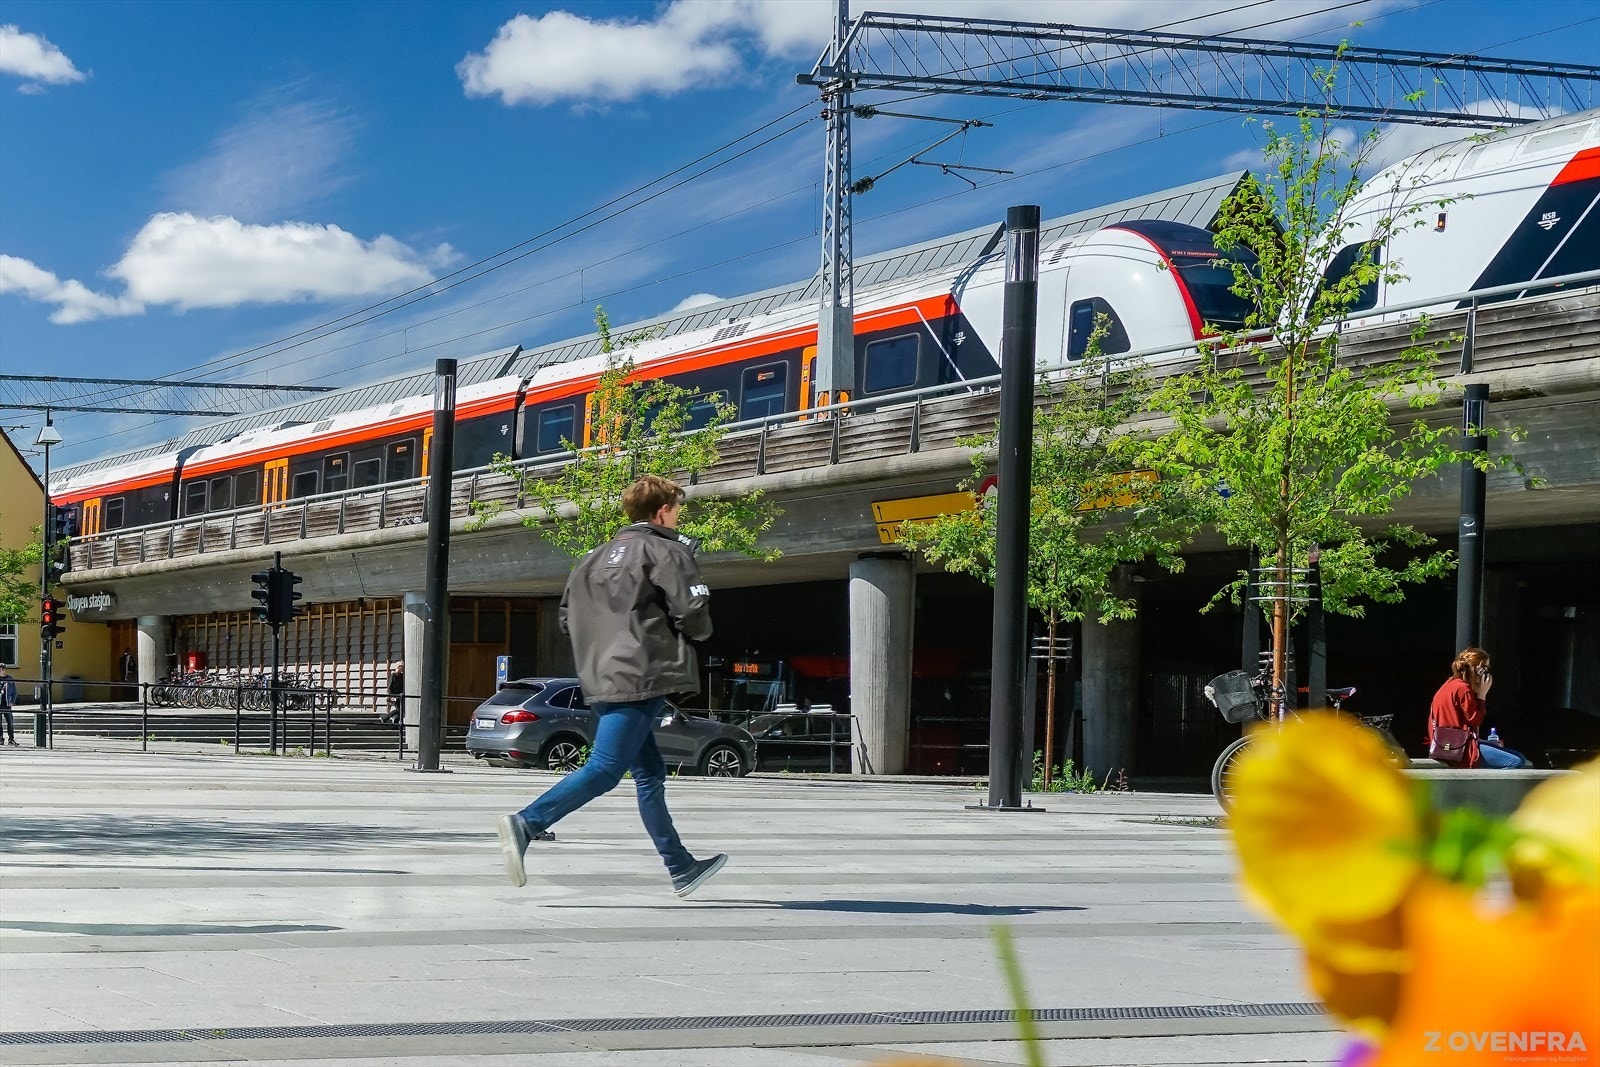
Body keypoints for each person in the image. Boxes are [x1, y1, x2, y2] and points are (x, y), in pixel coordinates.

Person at [495, 474, 727, 898]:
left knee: (650, 773)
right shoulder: (667, 550)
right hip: (641, 674)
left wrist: (602, 648)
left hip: (600, 674)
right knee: (605, 768)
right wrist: (692, 634)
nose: (678, 516)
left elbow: (566, 618)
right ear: (663, 511)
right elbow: (693, 610)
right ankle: (527, 823)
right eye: (677, 508)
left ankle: (681, 866)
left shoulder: (591, 558)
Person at [1428, 647, 1533, 769]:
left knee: (1521, 758)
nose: (1488, 673)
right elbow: (1475, 720)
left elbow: (1461, 725)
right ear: (1477, 669)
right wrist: (1482, 696)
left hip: (1451, 746)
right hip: (1462, 751)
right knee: (1515, 762)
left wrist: (1483, 742)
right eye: (1486, 668)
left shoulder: (1449, 685)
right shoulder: (1463, 689)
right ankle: (1489, 788)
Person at [0, 666, 18, 746]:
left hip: (7, 704)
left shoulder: (9, 679)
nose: (2, 670)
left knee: (10, 722)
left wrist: (12, 701)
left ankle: (11, 739)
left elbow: (14, 692)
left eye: (2, 669)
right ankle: (0, 739)